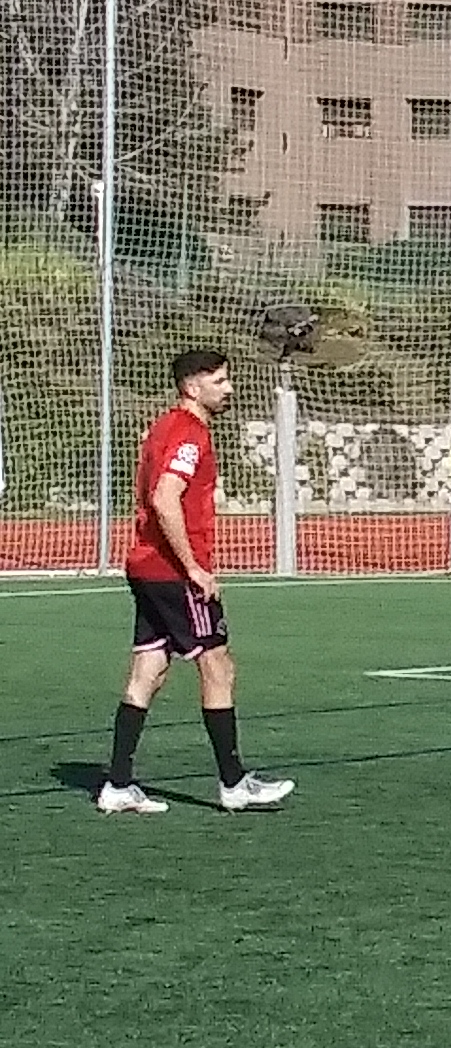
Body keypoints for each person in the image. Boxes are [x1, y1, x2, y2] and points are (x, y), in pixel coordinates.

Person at [98, 349, 295, 815]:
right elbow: (166, 498)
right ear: (192, 387)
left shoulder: (163, 426)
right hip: (172, 573)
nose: (229, 389)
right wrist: (194, 567)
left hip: (145, 567)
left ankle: (118, 785)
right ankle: (234, 783)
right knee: (218, 667)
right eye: (219, 381)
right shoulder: (189, 432)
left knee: (149, 670)